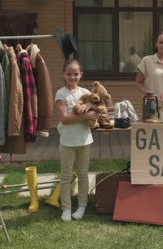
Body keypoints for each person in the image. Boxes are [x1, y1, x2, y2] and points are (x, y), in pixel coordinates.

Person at [55, 59, 98, 222]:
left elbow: (96, 107)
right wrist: (84, 116)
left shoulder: (86, 93)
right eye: (69, 74)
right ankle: (66, 208)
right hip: (67, 141)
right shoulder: (61, 94)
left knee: (83, 174)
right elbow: (64, 119)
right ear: (63, 75)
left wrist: (92, 110)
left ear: (81, 75)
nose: (72, 77)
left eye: (76, 74)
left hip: (85, 140)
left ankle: (82, 206)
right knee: (66, 176)